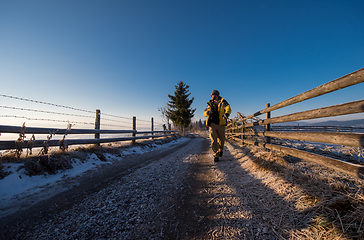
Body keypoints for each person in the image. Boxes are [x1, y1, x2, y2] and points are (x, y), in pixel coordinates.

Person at [203, 90, 231, 162]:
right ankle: (216, 155)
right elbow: (204, 113)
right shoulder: (209, 104)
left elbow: (228, 108)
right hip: (212, 124)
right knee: (213, 140)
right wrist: (208, 112)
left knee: (221, 140)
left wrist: (226, 114)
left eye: (216, 95)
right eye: (213, 95)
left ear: (218, 95)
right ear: (211, 96)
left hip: (221, 124)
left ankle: (220, 150)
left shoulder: (223, 102)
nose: (214, 96)